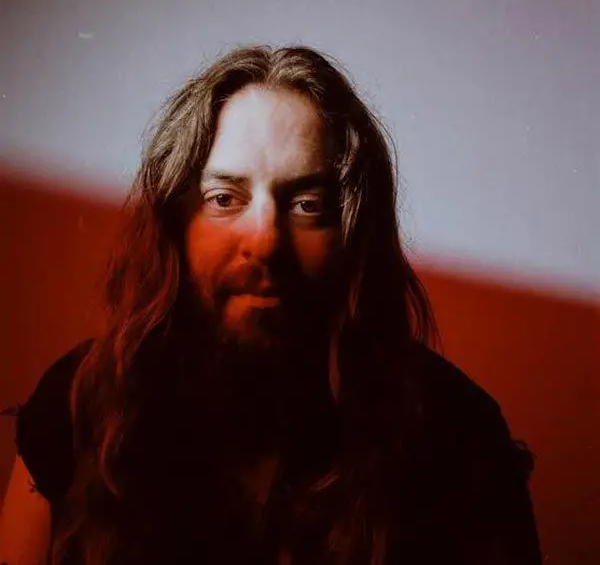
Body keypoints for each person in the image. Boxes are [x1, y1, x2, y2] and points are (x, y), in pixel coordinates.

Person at [0, 45, 542, 565]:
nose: (264, 241)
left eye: (308, 204)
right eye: (223, 199)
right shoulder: (78, 407)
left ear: (354, 235)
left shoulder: (457, 433)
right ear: (175, 225)